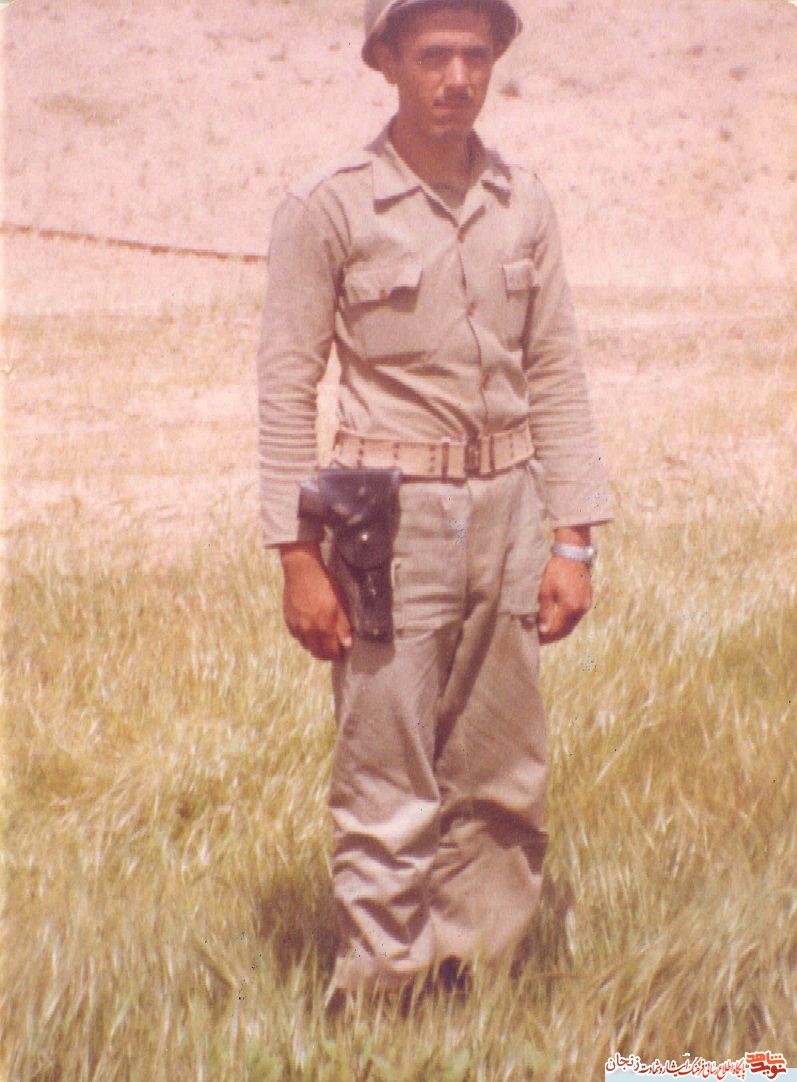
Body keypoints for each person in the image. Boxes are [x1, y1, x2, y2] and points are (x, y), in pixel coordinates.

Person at [257, 0, 612, 1001]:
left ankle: (473, 989)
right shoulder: (328, 207)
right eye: (431, 55)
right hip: (386, 523)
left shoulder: (522, 201)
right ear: (384, 61)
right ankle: (381, 1002)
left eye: (474, 54)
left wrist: (572, 539)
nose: (456, 78)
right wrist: (295, 555)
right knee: (387, 774)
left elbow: (556, 372)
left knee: (502, 773)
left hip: (508, 513)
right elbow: (286, 386)